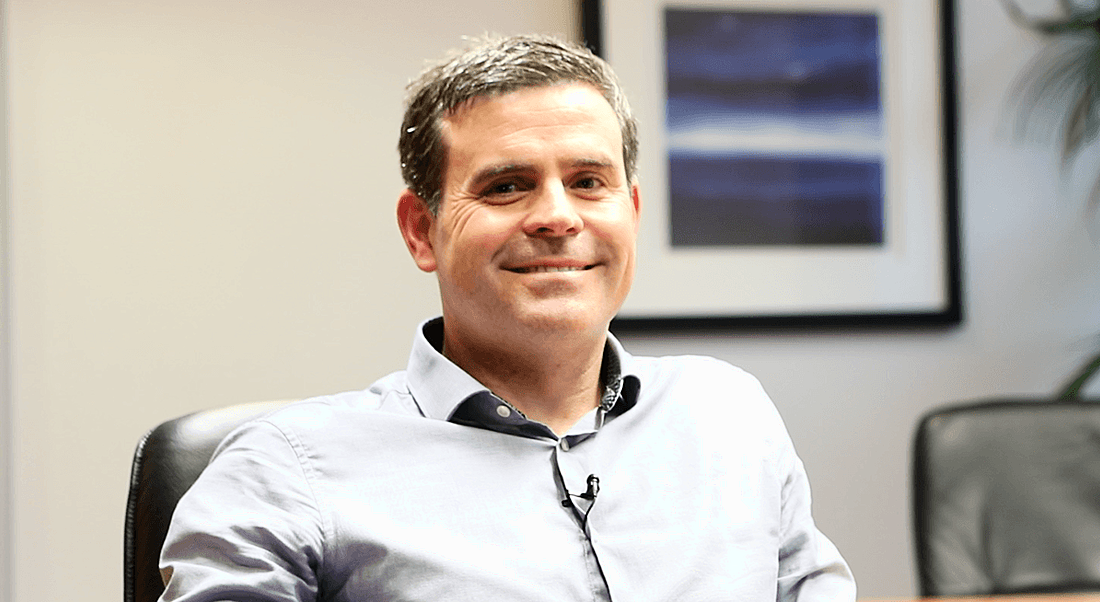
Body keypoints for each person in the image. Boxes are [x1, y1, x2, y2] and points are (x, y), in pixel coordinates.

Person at [159, 34, 856, 601]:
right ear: (421, 231)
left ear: (632, 215)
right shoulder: (285, 470)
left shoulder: (728, 415)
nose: (557, 216)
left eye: (589, 182)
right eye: (507, 185)